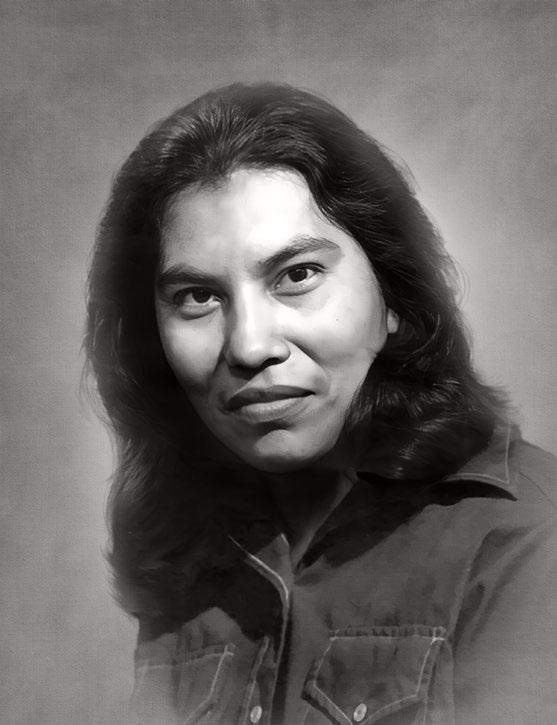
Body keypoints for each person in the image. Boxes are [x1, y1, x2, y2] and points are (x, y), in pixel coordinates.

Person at [85, 83, 557, 724]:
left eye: (297, 275)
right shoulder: (192, 556)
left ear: (394, 297)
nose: (249, 346)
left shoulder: (529, 541)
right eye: (197, 297)